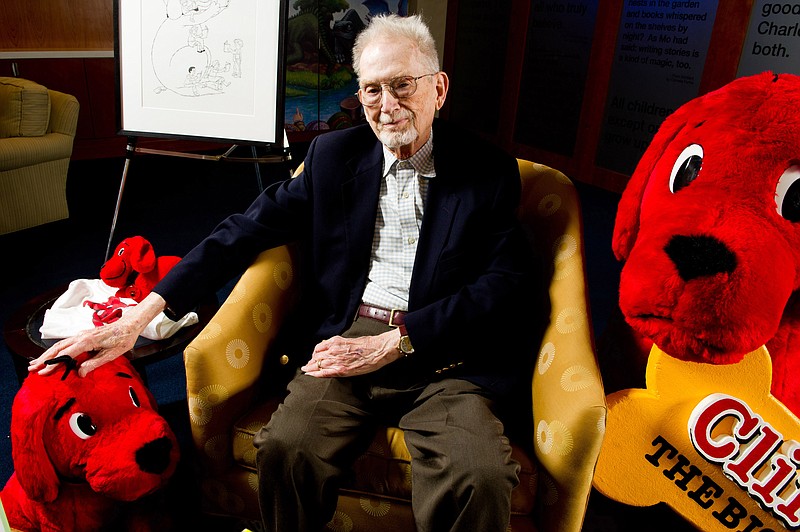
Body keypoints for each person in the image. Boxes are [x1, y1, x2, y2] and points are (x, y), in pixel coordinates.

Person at [30, 13, 540, 532]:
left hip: (441, 350)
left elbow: (504, 286)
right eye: (370, 91)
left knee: (479, 475)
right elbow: (242, 231)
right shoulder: (332, 157)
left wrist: (399, 341)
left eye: (402, 86)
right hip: (345, 335)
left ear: (439, 88)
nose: (387, 107)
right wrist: (135, 320)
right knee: (285, 448)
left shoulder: (488, 171)